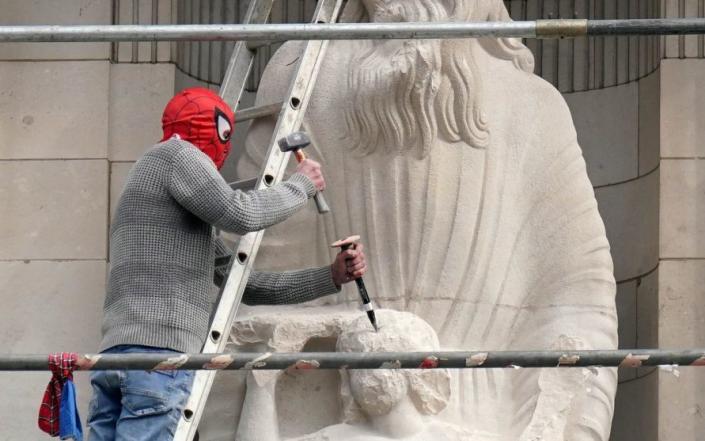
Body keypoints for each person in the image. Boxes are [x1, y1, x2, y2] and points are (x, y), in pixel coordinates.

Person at [86, 87, 367, 440]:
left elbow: (246, 285)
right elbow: (241, 212)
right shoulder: (177, 155)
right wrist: (301, 186)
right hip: (159, 358)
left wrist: (331, 276)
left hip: (119, 355)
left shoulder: (160, 185)